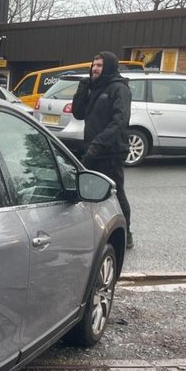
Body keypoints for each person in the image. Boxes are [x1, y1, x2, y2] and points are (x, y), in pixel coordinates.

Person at [71, 50, 134, 249]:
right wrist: (82, 89)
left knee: (115, 192)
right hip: (92, 148)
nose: (95, 69)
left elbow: (119, 121)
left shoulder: (119, 89)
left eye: (99, 65)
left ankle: (126, 233)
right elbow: (79, 114)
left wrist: (98, 144)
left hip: (111, 151)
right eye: (93, 65)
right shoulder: (94, 87)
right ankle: (94, 231)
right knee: (91, 192)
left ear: (108, 67)